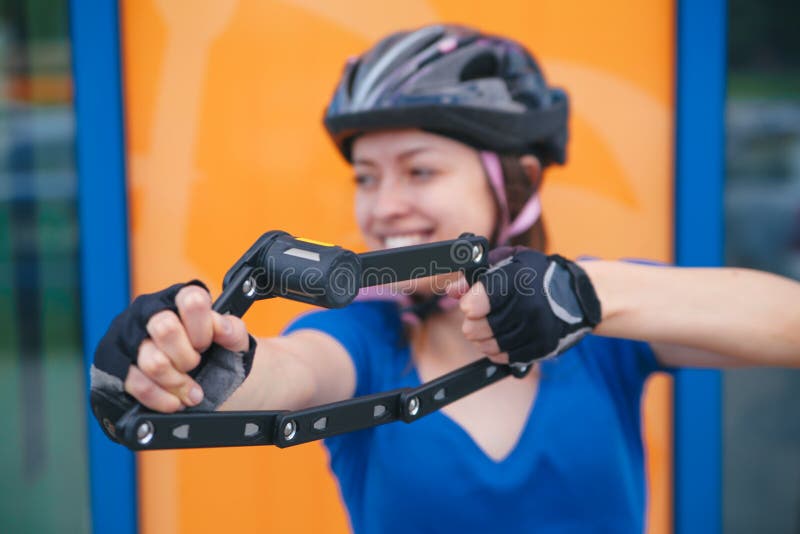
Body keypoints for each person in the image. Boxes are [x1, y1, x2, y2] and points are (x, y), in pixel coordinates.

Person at [90, 24, 800, 533]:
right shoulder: (362, 337)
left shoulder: (608, 324)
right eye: (367, 178)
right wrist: (206, 361)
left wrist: (585, 295)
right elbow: (289, 370)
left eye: (420, 170)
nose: (384, 204)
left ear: (513, 186)